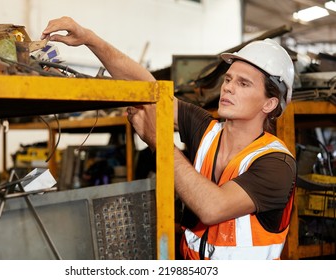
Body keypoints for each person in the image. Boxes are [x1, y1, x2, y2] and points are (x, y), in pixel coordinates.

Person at [41, 16, 297, 260]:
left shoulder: (277, 164)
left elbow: (212, 208)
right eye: (228, 79)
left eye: (243, 84)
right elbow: (149, 90)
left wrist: (159, 140)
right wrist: (90, 38)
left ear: (269, 103)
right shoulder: (207, 131)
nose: (228, 87)